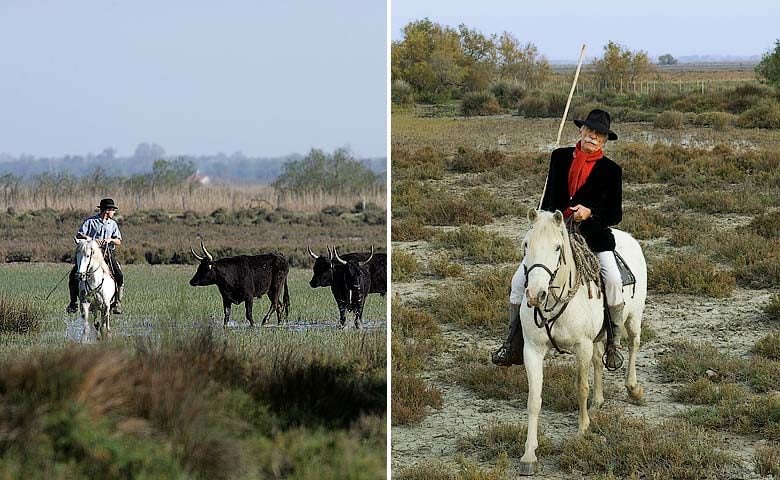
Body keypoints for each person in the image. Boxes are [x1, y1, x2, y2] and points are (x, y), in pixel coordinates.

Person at [492, 109, 624, 369]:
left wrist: (590, 212)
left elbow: (615, 215)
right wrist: (545, 217)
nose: (593, 137)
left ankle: (612, 343)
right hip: (553, 233)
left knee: (614, 279)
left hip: (592, 237)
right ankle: (512, 343)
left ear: (605, 140)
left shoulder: (612, 171)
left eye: (599, 134)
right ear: (581, 131)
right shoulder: (559, 157)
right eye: (589, 131)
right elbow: (548, 199)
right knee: (518, 281)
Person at [66, 198, 125, 314]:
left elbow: (119, 241)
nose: (113, 212)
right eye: (112, 210)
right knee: (73, 275)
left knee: (119, 274)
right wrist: (92, 240)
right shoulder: (90, 222)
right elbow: (79, 234)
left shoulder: (113, 224)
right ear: (106, 210)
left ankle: (117, 302)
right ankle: (73, 303)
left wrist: (110, 240)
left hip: (107, 254)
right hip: (91, 254)